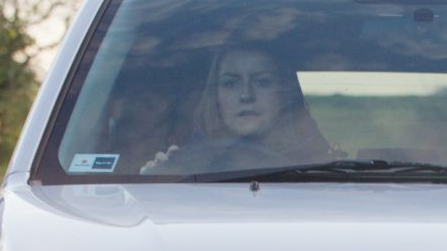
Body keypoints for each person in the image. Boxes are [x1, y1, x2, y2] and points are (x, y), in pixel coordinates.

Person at [142, 46, 333, 174]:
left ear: (283, 95)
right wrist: (158, 175)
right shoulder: (187, 164)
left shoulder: (326, 172)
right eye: (231, 83)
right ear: (216, 96)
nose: (246, 95)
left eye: (262, 81)